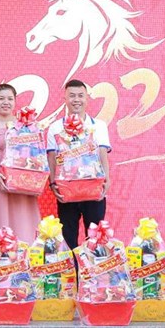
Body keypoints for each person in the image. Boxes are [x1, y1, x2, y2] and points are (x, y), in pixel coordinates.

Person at [46, 79, 112, 251]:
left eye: (80, 96)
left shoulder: (99, 126)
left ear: (87, 98)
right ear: (65, 99)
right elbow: (51, 158)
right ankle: (72, 268)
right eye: (72, 96)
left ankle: (94, 268)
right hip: (67, 190)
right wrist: (52, 184)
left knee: (96, 236)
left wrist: (107, 180)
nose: (76, 100)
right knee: (68, 236)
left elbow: (102, 154)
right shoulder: (55, 128)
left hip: (93, 188)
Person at [0, 84, 41, 242]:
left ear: (15, 102)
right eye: (1, 99)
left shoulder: (26, 125)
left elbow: (36, 152)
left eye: (9, 99)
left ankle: (27, 254)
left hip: (22, 184)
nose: (5, 102)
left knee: (23, 222)